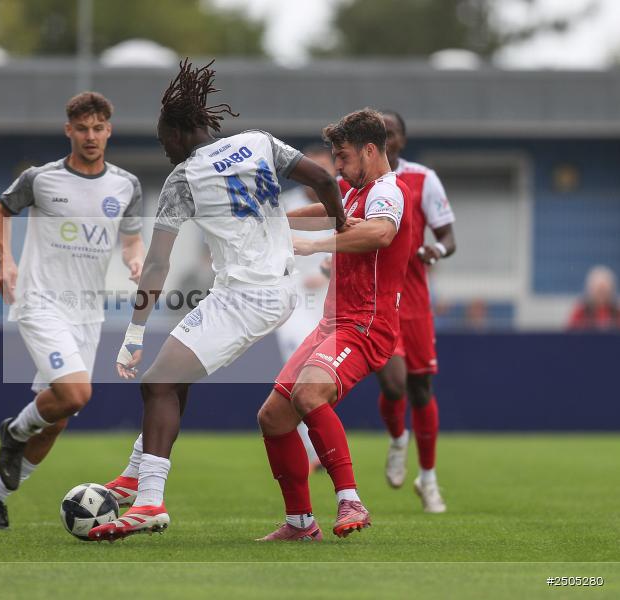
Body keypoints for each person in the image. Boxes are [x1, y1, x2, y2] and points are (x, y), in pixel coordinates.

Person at [88, 59, 344, 541]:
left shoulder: (183, 180)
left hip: (249, 297)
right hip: (267, 288)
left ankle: (148, 502)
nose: (164, 150)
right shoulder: (259, 143)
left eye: (165, 140)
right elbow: (327, 182)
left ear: (182, 133)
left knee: (158, 382)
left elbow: (158, 265)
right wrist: (343, 225)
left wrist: (135, 333)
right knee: (171, 378)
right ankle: (137, 473)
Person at [0, 91, 146, 530]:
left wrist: (134, 259)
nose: (91, 137)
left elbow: (130, 236)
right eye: (82, 129)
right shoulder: (41, 178)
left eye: (98, 128)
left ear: (109, 130)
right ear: (68, 130)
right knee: (76, 395)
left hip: (87, 312)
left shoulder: (125, 185)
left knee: (58, 418)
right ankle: (13, 431)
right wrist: (5, 260)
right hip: (40, 301)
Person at [256, 108, 414, 541]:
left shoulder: (387, 191)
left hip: (365, 325)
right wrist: (266, 222)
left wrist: (313, 245)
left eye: (343, 158)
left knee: (309, 394)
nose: (337, 168)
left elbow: (380, 234)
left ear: (369, 150)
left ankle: (350, 499)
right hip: (333, 323)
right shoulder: (352, 189)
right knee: (272, 416)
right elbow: (319, 208)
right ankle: (301, 524)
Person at [365, 110, 457, 513]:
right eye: (380, 133)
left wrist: (437, 249)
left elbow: (448, 236)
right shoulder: (358, 180)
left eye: (392, 132)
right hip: (379, 298)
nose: (387, 138)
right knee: (394, 385)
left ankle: (429, 479)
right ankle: (398, 438)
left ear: (402, 139)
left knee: (421, 389)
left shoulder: (423, 179)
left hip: (416, 301)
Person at [274, 145, 338, 472]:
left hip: (332, 305)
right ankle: (314, 452)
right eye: (317, 168)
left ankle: (318, 447)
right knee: (298, 375)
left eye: (328, 168)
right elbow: (271, 252)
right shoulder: (288, 206)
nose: (324, 174)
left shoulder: (342, 202)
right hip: (295, 304)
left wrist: (330, 271)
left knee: (321, 379)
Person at [566, 265, 620, 330]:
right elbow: (570, 335)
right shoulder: (581, 313)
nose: (601, 295)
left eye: (604, 291)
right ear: (590, 290)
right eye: (598, 291)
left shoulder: (617, 314)